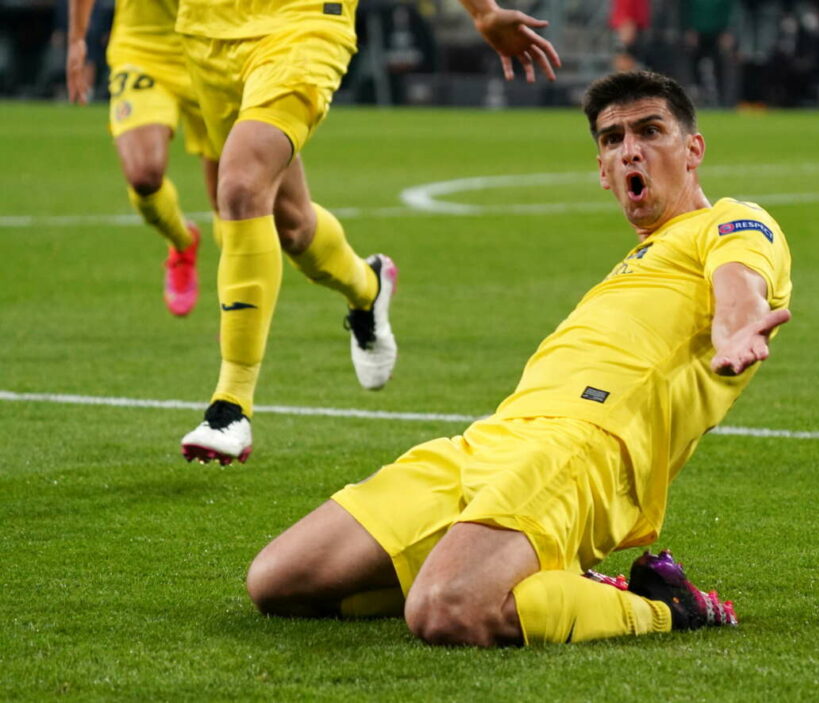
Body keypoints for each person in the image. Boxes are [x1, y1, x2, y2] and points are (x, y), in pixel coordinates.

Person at [244, 71, 792, 646]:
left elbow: (739, 285)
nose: (630, 149)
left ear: (693, 149)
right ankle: (512, 572)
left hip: (582, 447)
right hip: (494, 438)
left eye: (650, 131)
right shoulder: (642, 259)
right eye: (613, 139)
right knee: (278, 582)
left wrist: (736, 332)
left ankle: (666, 607)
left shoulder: (731, 222)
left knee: (446, 612)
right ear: (602, 171)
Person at [177, 0, 562, 465]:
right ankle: (368, 285)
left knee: (240, 188)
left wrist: (481, 11)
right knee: (290, 224)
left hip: (301, 24)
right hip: (206, 33)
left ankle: (230, 406)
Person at [67, 0, 219, 317]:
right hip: (142, 49)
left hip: (215, 50)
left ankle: (238, 317)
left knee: (233, 197)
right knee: (143, 175)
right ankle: (182, 241)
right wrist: (77, 38)